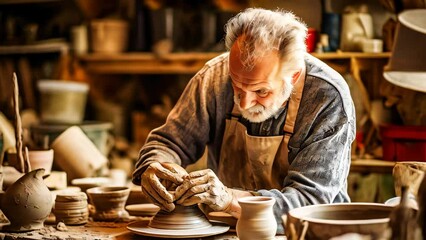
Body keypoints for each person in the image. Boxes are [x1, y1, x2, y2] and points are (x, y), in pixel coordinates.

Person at [132, 7, 355, 234]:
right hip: (226, 231)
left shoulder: (326, 96)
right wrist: (157, 166)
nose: (245, 103)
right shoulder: (214, 77)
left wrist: (229, 199)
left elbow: (310, 202)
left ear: (293, 75)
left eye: (261, 91)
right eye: (237, 87)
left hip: (302, 234)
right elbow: (169, 141)